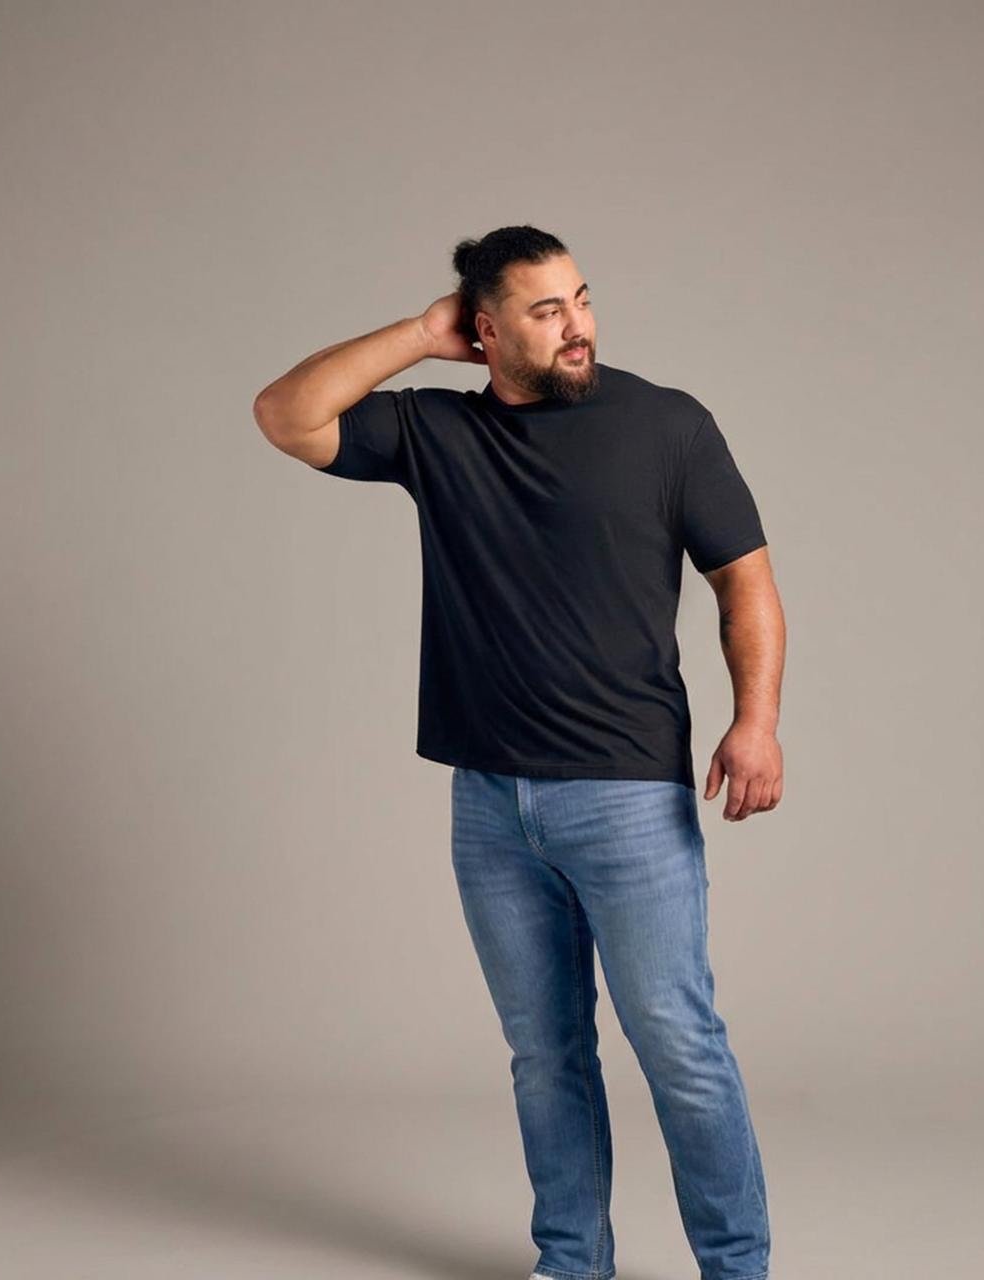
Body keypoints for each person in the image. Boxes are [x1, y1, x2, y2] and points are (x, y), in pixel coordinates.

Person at [253, 225, 785, 1280]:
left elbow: (746, 582)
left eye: (581, 299)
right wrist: (419, 334)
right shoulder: (437, 432)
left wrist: (755, 720)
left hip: (627, 794)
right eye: (545, 311)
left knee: (679, 1046)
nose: (577, 325)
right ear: (485, 330)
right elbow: (285, 414)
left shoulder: (668, 424)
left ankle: (738, 1270)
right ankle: (570, 1262)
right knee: (545, 1054)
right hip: (490, 804)